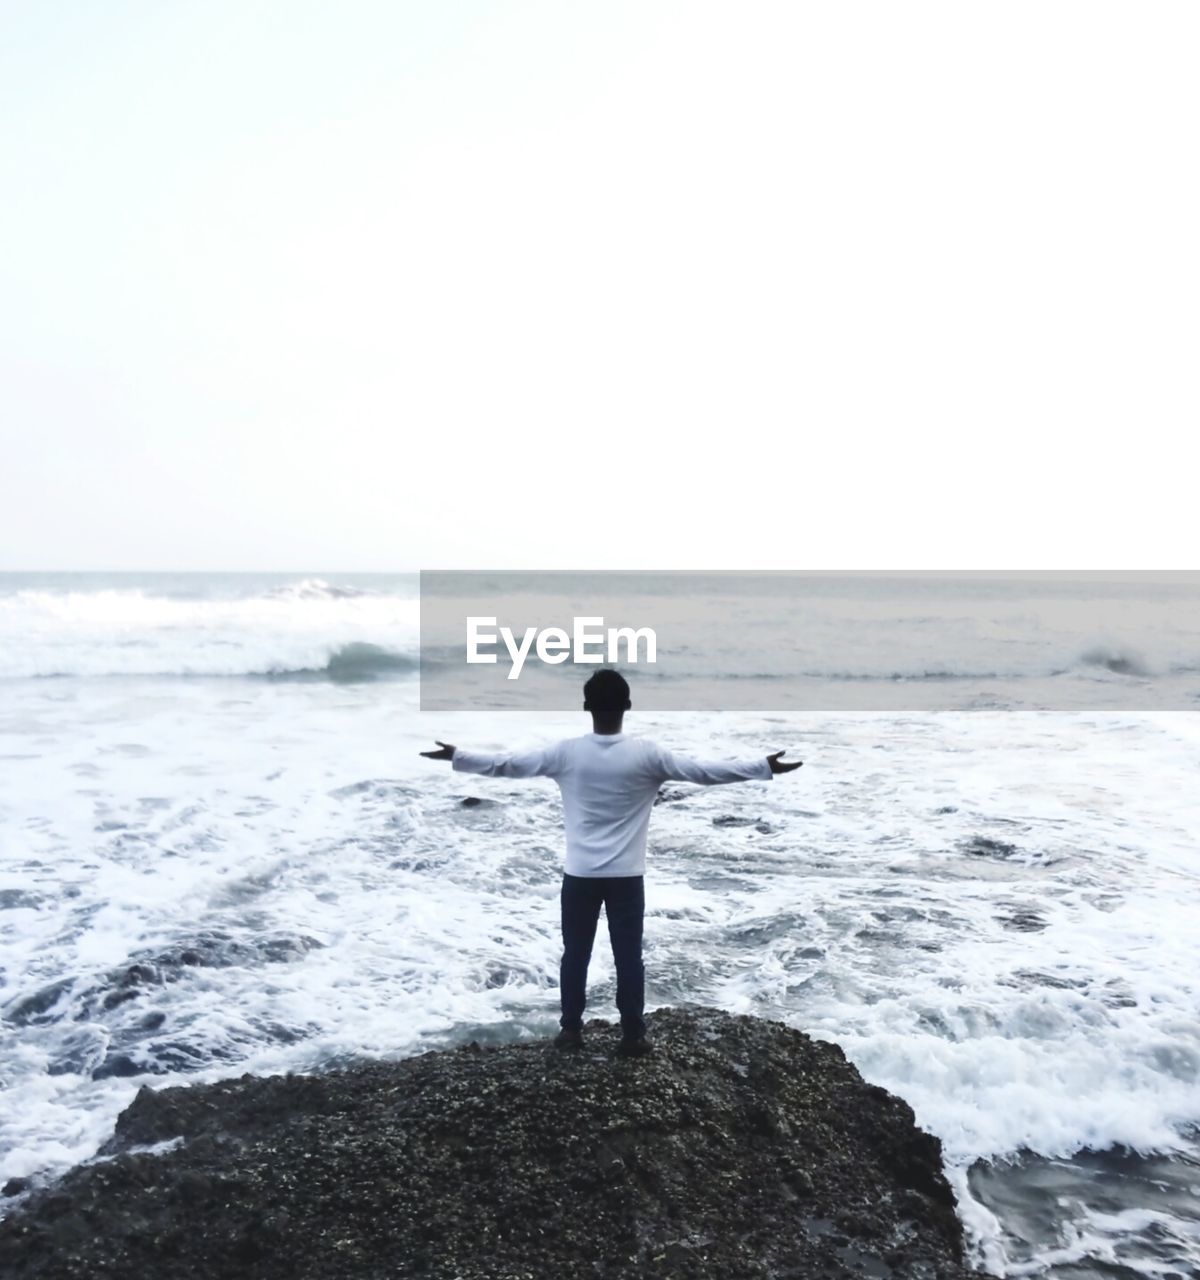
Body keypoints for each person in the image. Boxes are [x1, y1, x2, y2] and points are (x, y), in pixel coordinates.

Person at [421, 669, 802, 1057]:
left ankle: (570, 1031)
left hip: (580, 875)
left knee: (575, 954)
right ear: (628, 706)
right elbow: (704, 773)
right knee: (628, 957)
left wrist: (459, 756)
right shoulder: (648, 755)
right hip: (626, 877)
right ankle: (633, 1036)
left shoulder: (565, 753)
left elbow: (508, 765)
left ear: (586, 706)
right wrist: (763, 766)